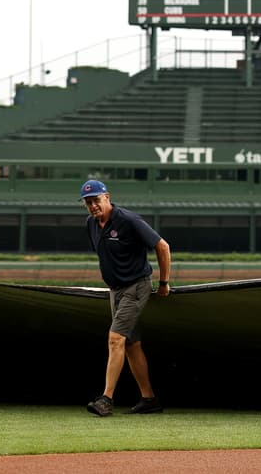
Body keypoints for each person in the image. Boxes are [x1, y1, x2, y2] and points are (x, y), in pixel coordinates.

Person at [81, 179, 171, 417]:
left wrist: (163, 283)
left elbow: (163, 246)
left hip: (136, 286)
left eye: (96, 200)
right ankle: (149, 399)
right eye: (88, 202)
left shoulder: (129, 220)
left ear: (107, 197)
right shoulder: (90, 224)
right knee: (131, 344)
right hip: (115, 290)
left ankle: (106, 399)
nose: (93, 206)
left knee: (115, 339)